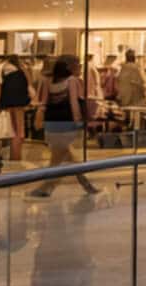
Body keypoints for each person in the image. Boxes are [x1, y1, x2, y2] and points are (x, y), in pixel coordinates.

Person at [30, 56, 98, 197]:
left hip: (51, 125)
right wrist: (79, 121)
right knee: (65, 159)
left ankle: (49, 188)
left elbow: (43, 103)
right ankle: (85, 186)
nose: (79, 68)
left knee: (60, 158)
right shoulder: (72, 81)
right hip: (67, 125)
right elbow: (74, 103)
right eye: (77, 65)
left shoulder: (48, 82)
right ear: (69, 68)